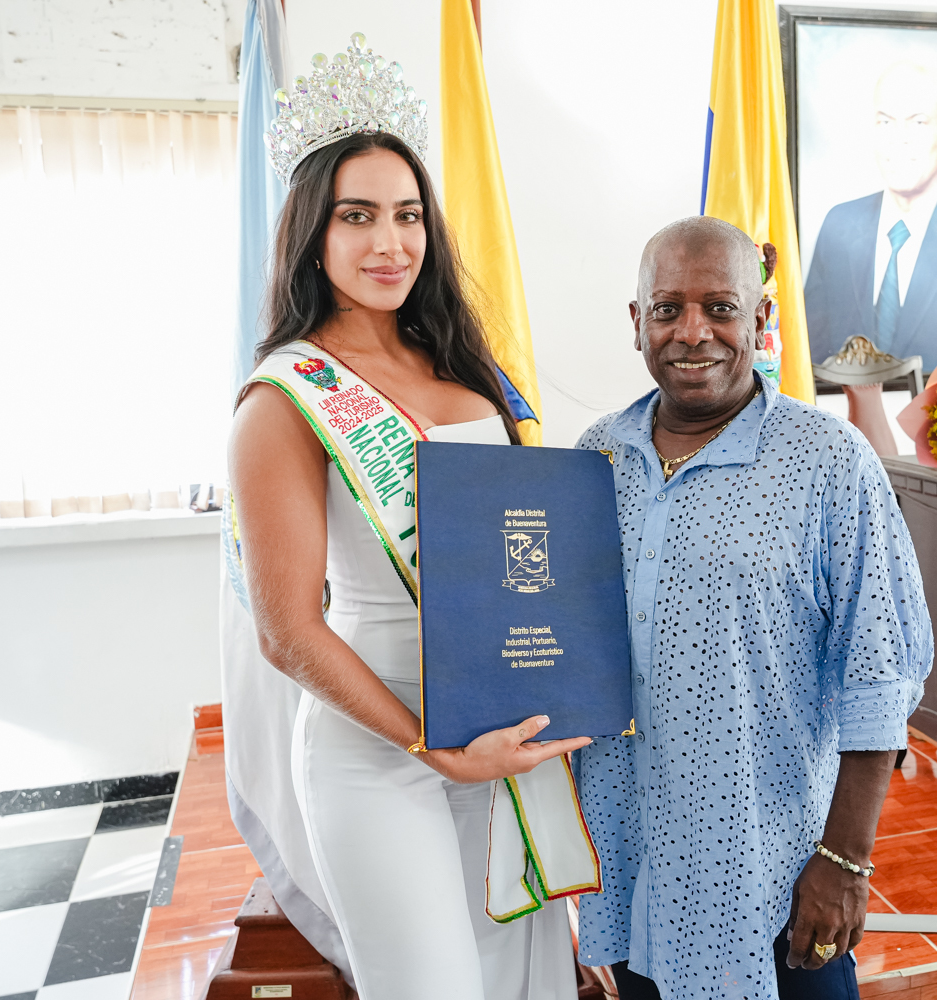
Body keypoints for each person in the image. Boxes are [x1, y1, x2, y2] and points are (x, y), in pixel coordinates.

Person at [225, 127, 588, 999]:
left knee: (524, 983)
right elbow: (286, 632)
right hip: (374, 749)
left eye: (408, 215)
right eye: (358, 217)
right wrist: (430, 746)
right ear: (313, 235)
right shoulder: (286, 398)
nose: (390, 244)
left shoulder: (464, 370)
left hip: (500, 734)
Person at [573, 217, 934, 999]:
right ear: (637, 323)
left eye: (721, 308)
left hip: (769, 878)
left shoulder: (829, 461)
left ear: (760, 319)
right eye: (667, 309)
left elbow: (879, 675)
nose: (692, 332)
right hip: (628, 862)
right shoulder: (594, 456)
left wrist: (843, 860)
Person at [804, 62, 937, 372]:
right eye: (885, 122)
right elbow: (809, 356)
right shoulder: (839, 225)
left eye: (919, 122)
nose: (899, 139)